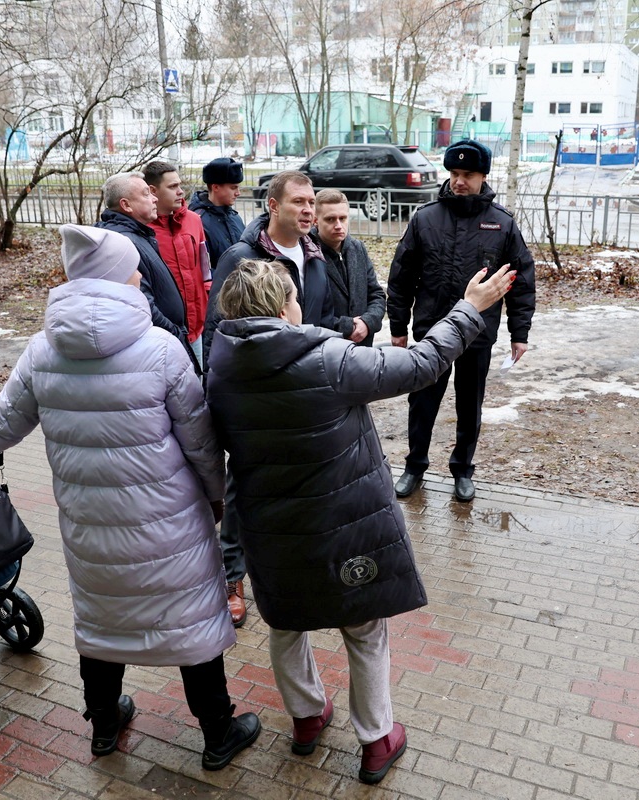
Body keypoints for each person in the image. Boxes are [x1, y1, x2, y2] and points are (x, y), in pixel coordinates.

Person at [0, 225, 260, 768]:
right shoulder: (161, 349)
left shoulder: (42, 350)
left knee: (100, 619)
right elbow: (203, 444)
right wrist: (217, 497)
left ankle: (103, 725)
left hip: (89, 523)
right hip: (169, 522)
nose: (141, 273)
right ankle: (217, 733)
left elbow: (1, 423)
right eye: (134, 266)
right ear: (120, 277)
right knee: (188, 619)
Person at [206, 258, 515, 784]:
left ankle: (307, 719)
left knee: (286, 622)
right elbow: (419, 364)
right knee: (365, 628)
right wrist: (469, 310)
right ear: (283, 307)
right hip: (346, 526)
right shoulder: (326, 357)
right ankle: (376, 741)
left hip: (271, 530)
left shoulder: (220, 367)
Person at [201, 169, 336, 627]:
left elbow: (318, 322)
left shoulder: (316, 255)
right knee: (242, 485)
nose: (308, 210)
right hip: (253, 391)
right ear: (273, 206)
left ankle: (301, 569)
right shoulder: (242, 256)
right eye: (298, 202)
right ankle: (232, 577)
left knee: (302, 482)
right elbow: (216, 329)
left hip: (302, 390)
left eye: (311, 202)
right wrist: (218, 391)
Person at [387, 139, 536, 503]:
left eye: (467, 174)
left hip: (477, 335)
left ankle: (462, 471)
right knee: (422, 402)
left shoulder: (501, 224)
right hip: (431, 332)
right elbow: (402, 275)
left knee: (470, 404)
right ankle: (415, 467)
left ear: (483, 176)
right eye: (454, 173)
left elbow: (521, 280)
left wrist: (520, 333)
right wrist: (397, 327)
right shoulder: (426, 219)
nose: (458, 181)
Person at [95, 172, 194, 362]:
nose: (155, 198)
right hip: (159, 348)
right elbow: (142, 303)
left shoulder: (136, 235)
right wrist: (174, 334)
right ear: (126, 205)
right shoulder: (125, 242)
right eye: (146, 193)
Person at [144, 160, 210, 367]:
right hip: (161, 333)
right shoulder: (142, 228)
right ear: (153, 191)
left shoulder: (193, 220)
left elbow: (205, 268)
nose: (180, 192)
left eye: (180, 185)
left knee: (197, 388)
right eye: (172, 187)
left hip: (196, 329)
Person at [312, 188, 386, 347]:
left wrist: (367, 322)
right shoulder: (307, 254)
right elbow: (308, 313)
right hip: (327, 352)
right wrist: (346, 327)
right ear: (315, 220)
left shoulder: (357, 248)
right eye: (330, 219)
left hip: (362, 350)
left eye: (343, 218)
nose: (338, 225)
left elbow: (376, 294)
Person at [189, 157, 246, 272]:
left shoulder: (234, 217)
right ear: (215, 187)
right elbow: (202, 270)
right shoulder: (198, 221)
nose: (238, 193)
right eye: (233, 187)